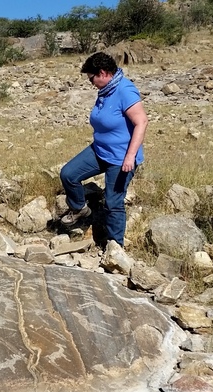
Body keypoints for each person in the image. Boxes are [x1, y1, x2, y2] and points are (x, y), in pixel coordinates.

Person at [59, 52, 148, 247]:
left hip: (121, 158)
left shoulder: (125, 90)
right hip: (100, 150)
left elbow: (141, 122)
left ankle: (115, 247)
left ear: (102, 73)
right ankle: (80, 209)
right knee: (68, 174)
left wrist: (130, 157)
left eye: (91, 78)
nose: (90, 83)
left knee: (113, 203)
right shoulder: (106, 90)